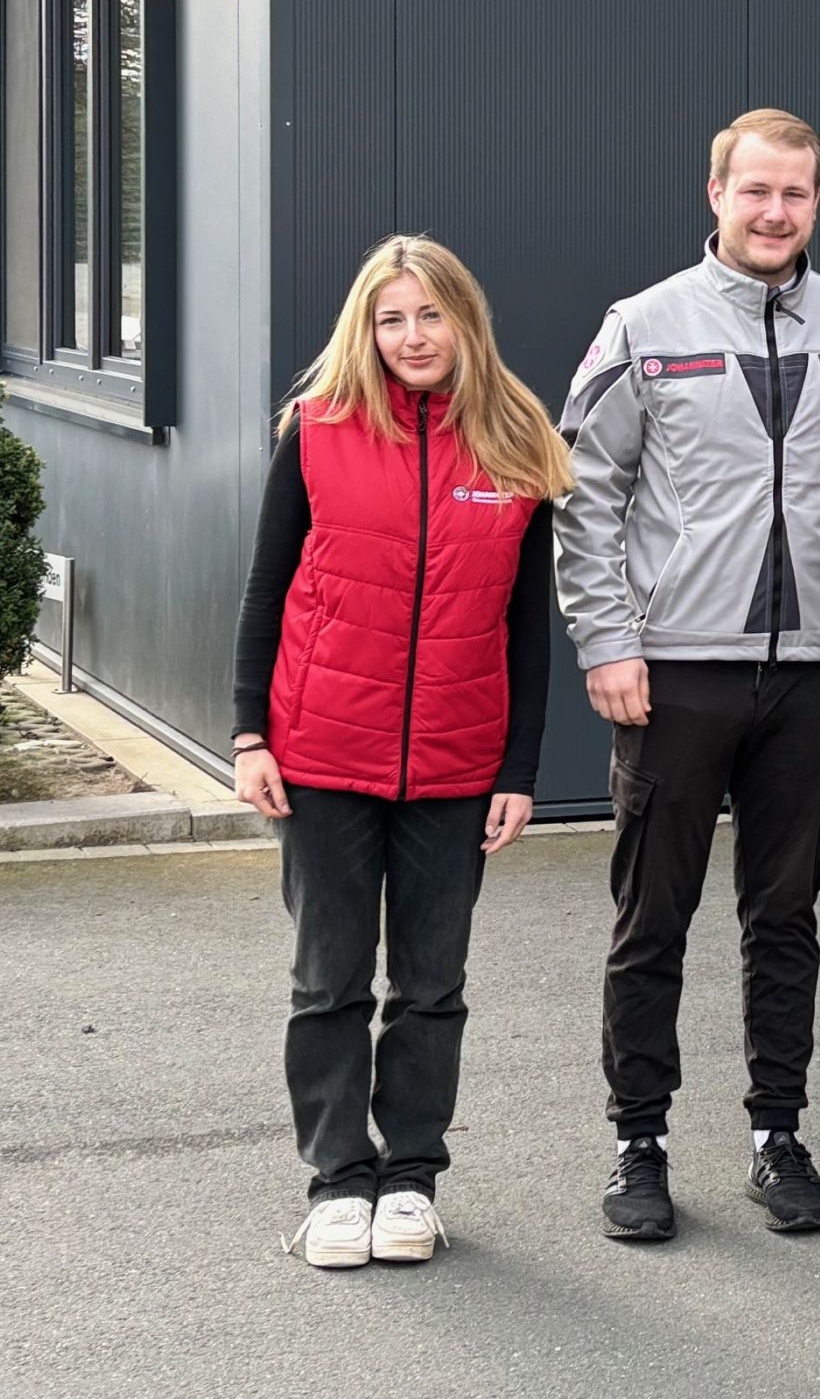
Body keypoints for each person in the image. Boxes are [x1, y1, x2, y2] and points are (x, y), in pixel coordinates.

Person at [556, 106, 820, 1242]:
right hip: (674, 671)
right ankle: (639, 1144)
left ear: (817, 202)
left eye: (797, 195)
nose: (776, 213)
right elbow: (585, 490)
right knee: (651, 920)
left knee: (785, 919)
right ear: (715, 193)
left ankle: (780, 1136)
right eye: (756, 191)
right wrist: (608, 640)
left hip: (817, 671)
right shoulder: (646, 323)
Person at [231, 234, 569, 1270]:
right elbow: (268, 585)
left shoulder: (514, 439)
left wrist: (520, 770)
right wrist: (250, 732)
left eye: (429, 315)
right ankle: (338, 1178)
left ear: (464, 320)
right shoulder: (318, 429)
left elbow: (525, 624)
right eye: (391, 318)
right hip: (322, 750)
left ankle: (411, 1176)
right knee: (329, 977)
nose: (411, 337)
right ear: (364, 329)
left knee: (431, 982)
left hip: (457, 769)